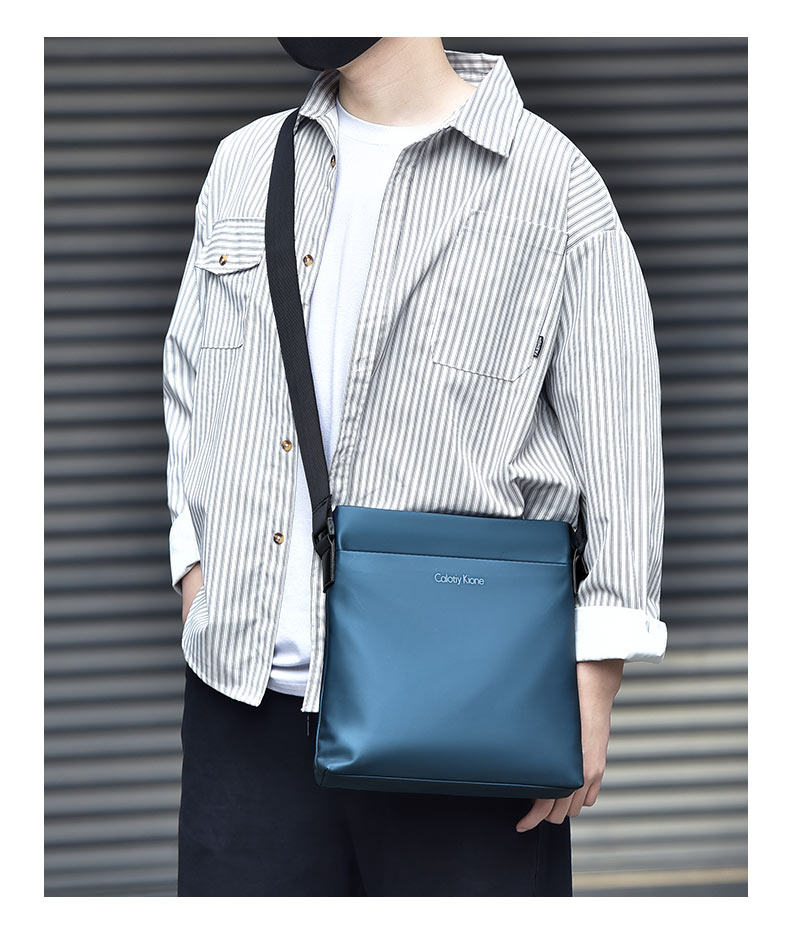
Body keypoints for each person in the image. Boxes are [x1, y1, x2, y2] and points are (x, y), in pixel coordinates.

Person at [163, 37, 667, 897]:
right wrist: (195, 568)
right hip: (243, 707)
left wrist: (593, 685)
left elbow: (623, 445)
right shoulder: (245, 165)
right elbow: (190, 379)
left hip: (466, 715)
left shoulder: (553, 184)